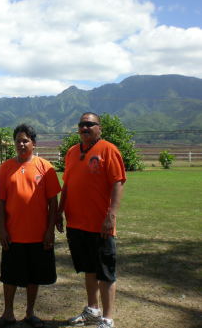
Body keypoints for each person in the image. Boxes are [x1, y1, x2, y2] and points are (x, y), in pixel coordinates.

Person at [57, 112, 126, 328]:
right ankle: (92, 310)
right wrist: (59, 211)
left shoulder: (108, 150)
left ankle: (107, 318)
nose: (85, 128)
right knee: (89, 269)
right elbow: (66, 185)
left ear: (99, 128)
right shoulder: (71, 152)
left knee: (105, 273)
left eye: (90, 124)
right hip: (76, 224)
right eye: (81, 125)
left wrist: (111, 216)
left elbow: (118, 182)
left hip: (100, 225)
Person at [0, 124, 61, 328]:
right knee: (10, 277)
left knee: (34, 277)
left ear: (33, 143)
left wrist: (50, 231)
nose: (21, 144)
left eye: (25, 140)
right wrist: (2, 229)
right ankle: (8, 314)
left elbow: (53, 202)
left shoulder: (45, 167)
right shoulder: (5, 168)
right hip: (13, 235)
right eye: (18, 141)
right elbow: (2, 202)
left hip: (39, 235)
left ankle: (30, 313)